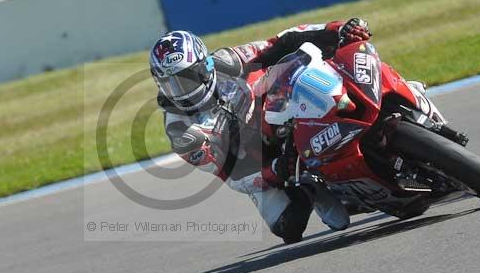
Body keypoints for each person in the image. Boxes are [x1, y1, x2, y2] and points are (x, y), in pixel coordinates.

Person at [149, 20, 370, 243]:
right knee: (289, 226)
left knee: (322, 65)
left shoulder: (227, 61)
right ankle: (311, 189)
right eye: (171, 83)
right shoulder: (181, 132)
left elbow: (281, 42)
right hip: (256, 160)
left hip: (281, 111)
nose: (181, 91)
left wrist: (338, 29)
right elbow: (232, 175)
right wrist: (275, 169)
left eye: (187, 79)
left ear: (204, 66)